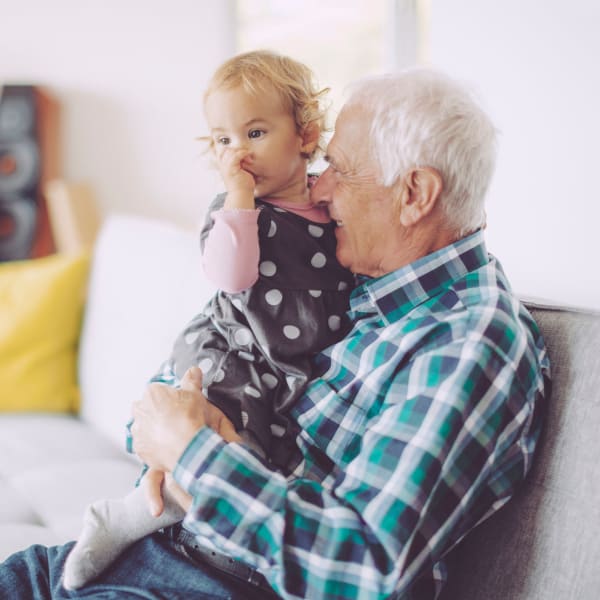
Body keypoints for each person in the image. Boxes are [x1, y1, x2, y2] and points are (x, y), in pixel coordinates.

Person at [0, 67, 550, 600]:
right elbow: (203, 354)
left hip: (217, 582)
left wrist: (193, 452)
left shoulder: (469, 341)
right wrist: (171, 426)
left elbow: (361, 570)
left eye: (340, 167)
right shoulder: (354, 280)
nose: (322, 187)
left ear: (415, 194)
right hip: (156, 550)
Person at [60, 50, 355, 590]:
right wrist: (239, 200)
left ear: (306, 135)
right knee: (215, 429)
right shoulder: (236, 210)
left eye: (256, 132)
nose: (237, 151)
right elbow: (231, 276)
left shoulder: (331, 201)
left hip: (288, 367)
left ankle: (178, 524)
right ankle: (129, 515)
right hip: (236, 352)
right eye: (223, 139)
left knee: (271, 456)